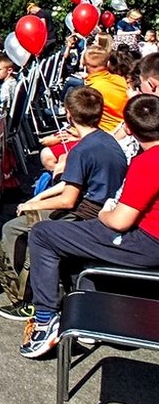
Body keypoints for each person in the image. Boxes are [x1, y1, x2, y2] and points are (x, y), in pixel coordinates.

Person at [21, 93, 159, 358]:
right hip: (147, 238)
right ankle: (88, 311)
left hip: (145, 243)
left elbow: (119, 221)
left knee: (42, 234)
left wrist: (105, 214)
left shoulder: (148, 162)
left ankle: (45, 319)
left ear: (128, 129)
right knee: (71, 237)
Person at [0, 87, 127, 320]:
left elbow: (68, 199)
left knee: (13, 229)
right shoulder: (107, 140)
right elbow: (71, 183)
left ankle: (27, 297)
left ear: (69, 115)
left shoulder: (81, 150)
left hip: (85, 213)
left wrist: (30, 206)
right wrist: (38, 198)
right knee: (28, 221)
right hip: (104, 207)